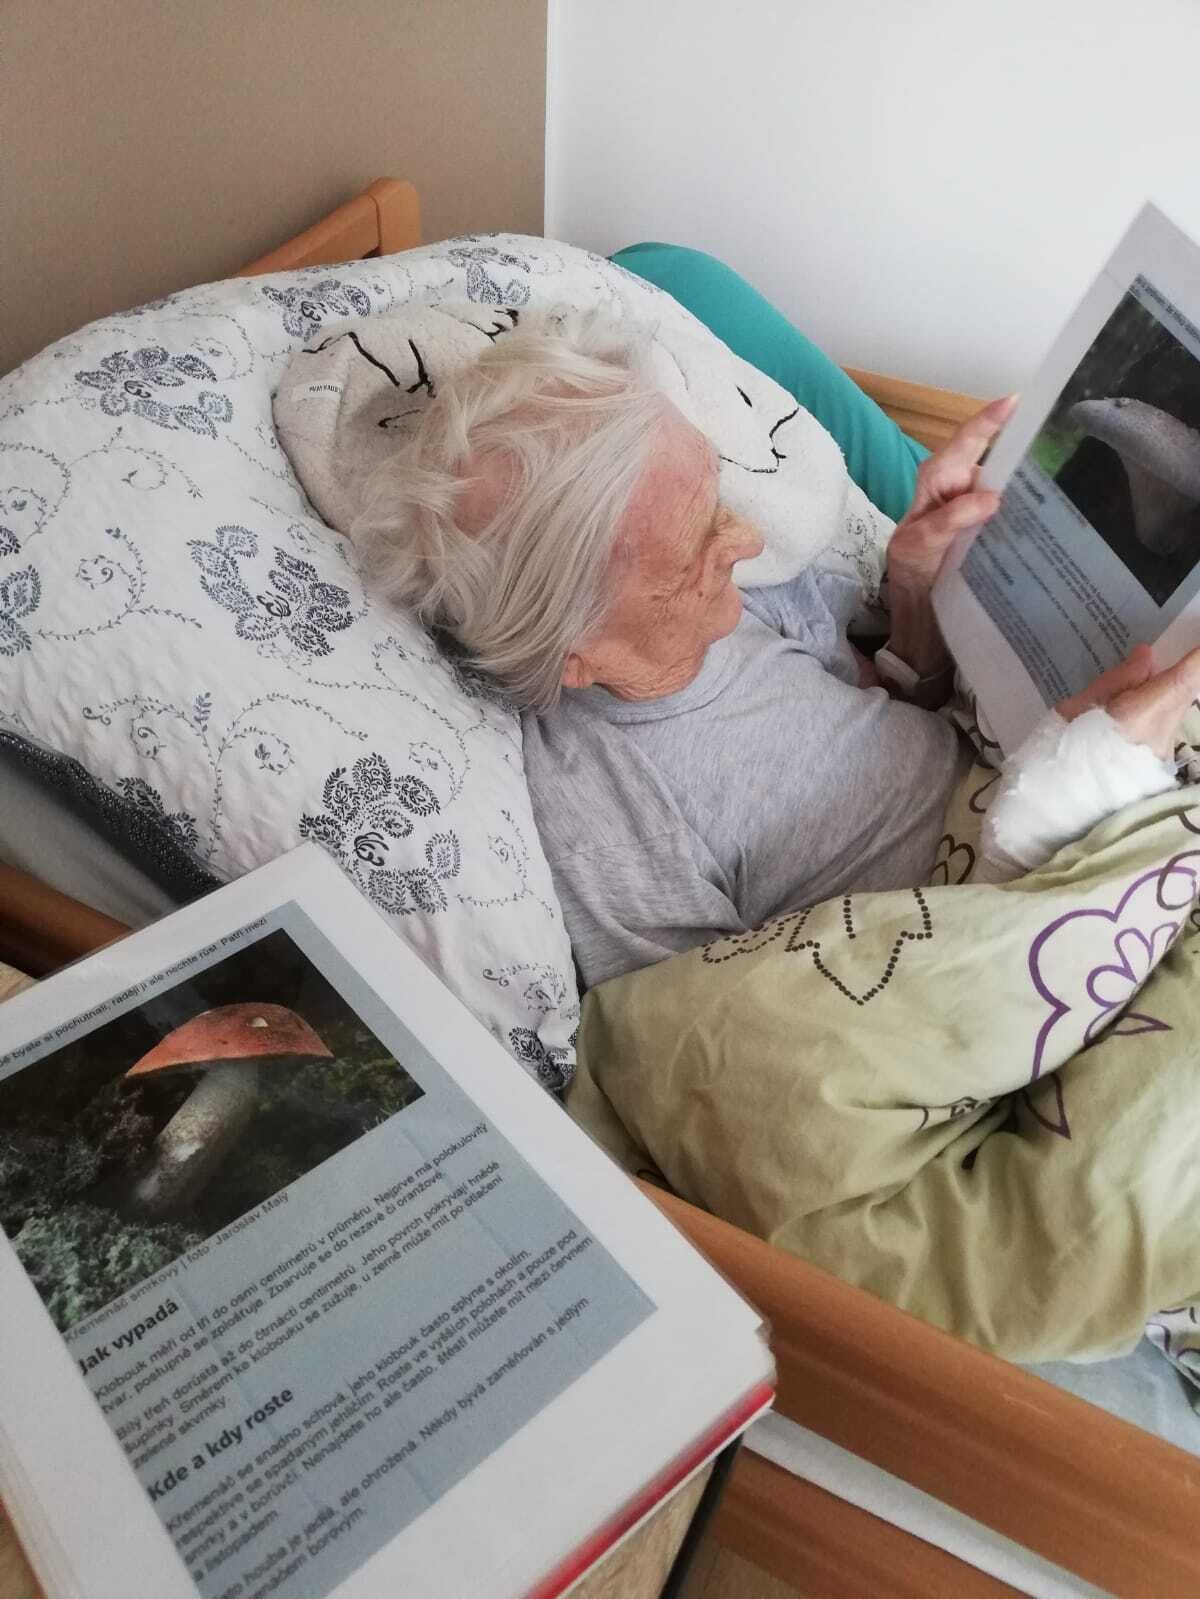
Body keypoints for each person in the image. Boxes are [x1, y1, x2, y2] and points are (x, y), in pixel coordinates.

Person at [356, 323, 1200, 989]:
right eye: (696, 545)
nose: (750, 538)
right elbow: (750, 1028)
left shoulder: (747, 602)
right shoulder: (605, 817)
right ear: (575, 652)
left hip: (1032, 791)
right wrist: (1068, 793)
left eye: (716, 496)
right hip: (998, 928)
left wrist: (913, 588)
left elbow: (898, 707)